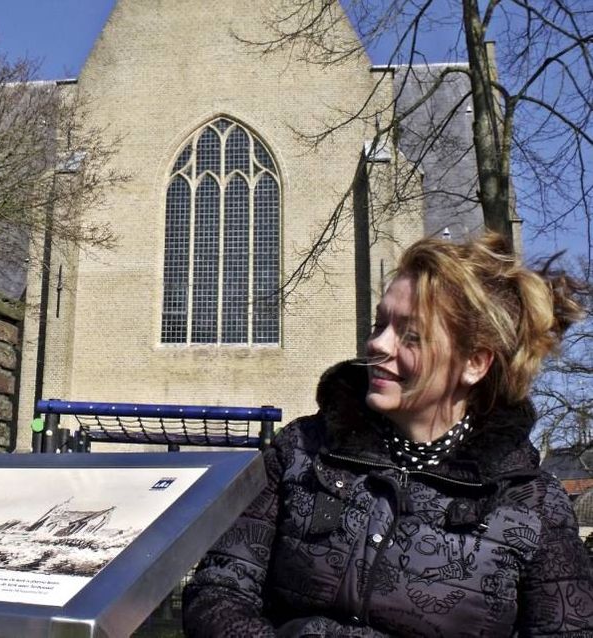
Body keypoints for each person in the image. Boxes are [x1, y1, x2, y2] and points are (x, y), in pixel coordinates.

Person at [183, 233, 593, 636]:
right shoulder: (302, 450)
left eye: (410, 335)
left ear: (474, 363)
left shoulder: (530, 503)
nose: (377, 343)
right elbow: (218, 590)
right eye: (380, 323)